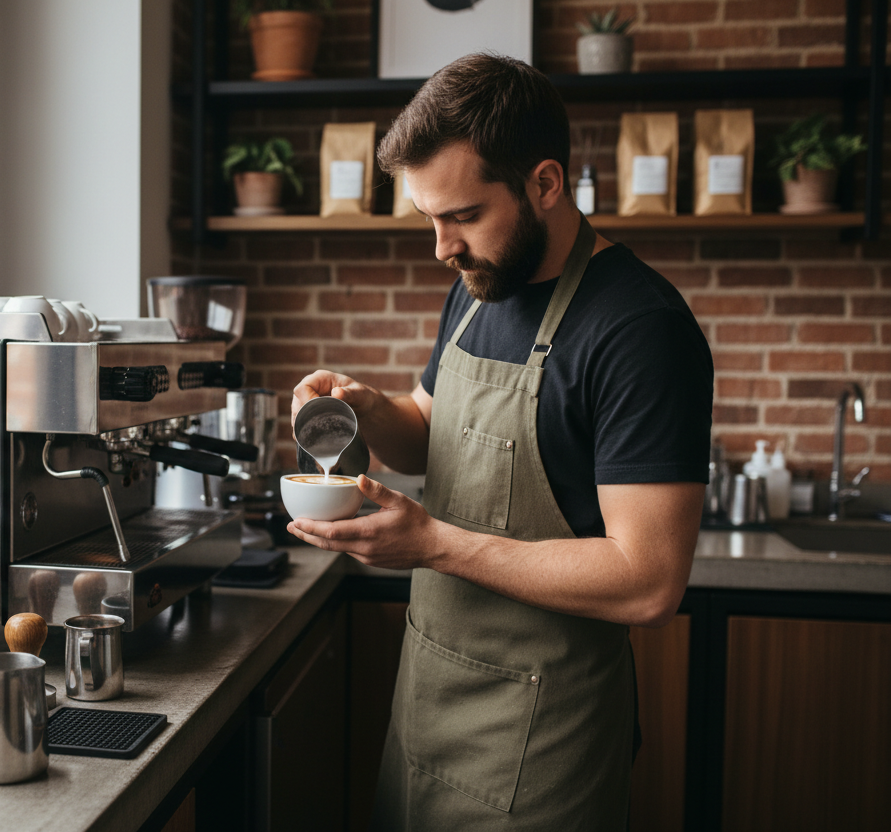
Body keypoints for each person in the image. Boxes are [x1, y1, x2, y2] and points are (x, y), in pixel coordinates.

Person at [288, 54, 713, 829]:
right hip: (428, 708)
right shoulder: (480, 285)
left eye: (463, 215)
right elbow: (424, 437)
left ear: (545, 184)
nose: (442, 246)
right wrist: (364, 407)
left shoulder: (640, 331)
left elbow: (648, 581)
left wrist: (433, 544)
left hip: (546, 739)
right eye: (430, 218)